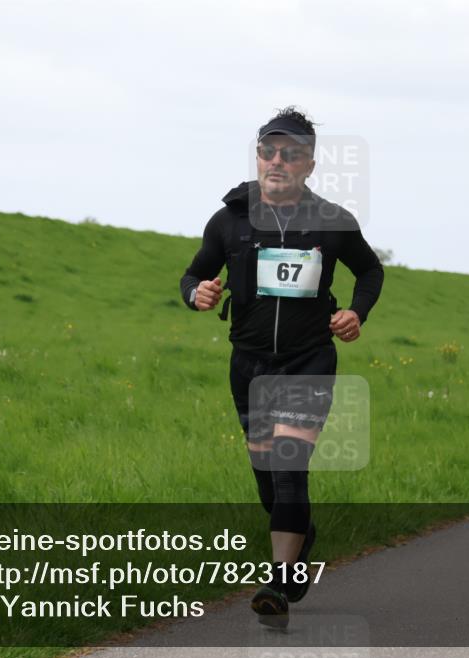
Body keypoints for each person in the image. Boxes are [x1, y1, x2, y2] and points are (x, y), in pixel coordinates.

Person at [179, 107, 384, 627]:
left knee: (289, 470)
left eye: (290, 154)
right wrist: (195, 293)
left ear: (309, 165)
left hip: (308, 359)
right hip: (248, 364)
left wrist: (355, 312)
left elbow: (370, 269)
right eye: (268, 151)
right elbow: (195, 273)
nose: (277, 161)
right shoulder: (229, 219)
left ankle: (278, 583)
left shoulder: (333, 222)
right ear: (258, 156)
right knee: (268, 479)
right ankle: (301, 540)